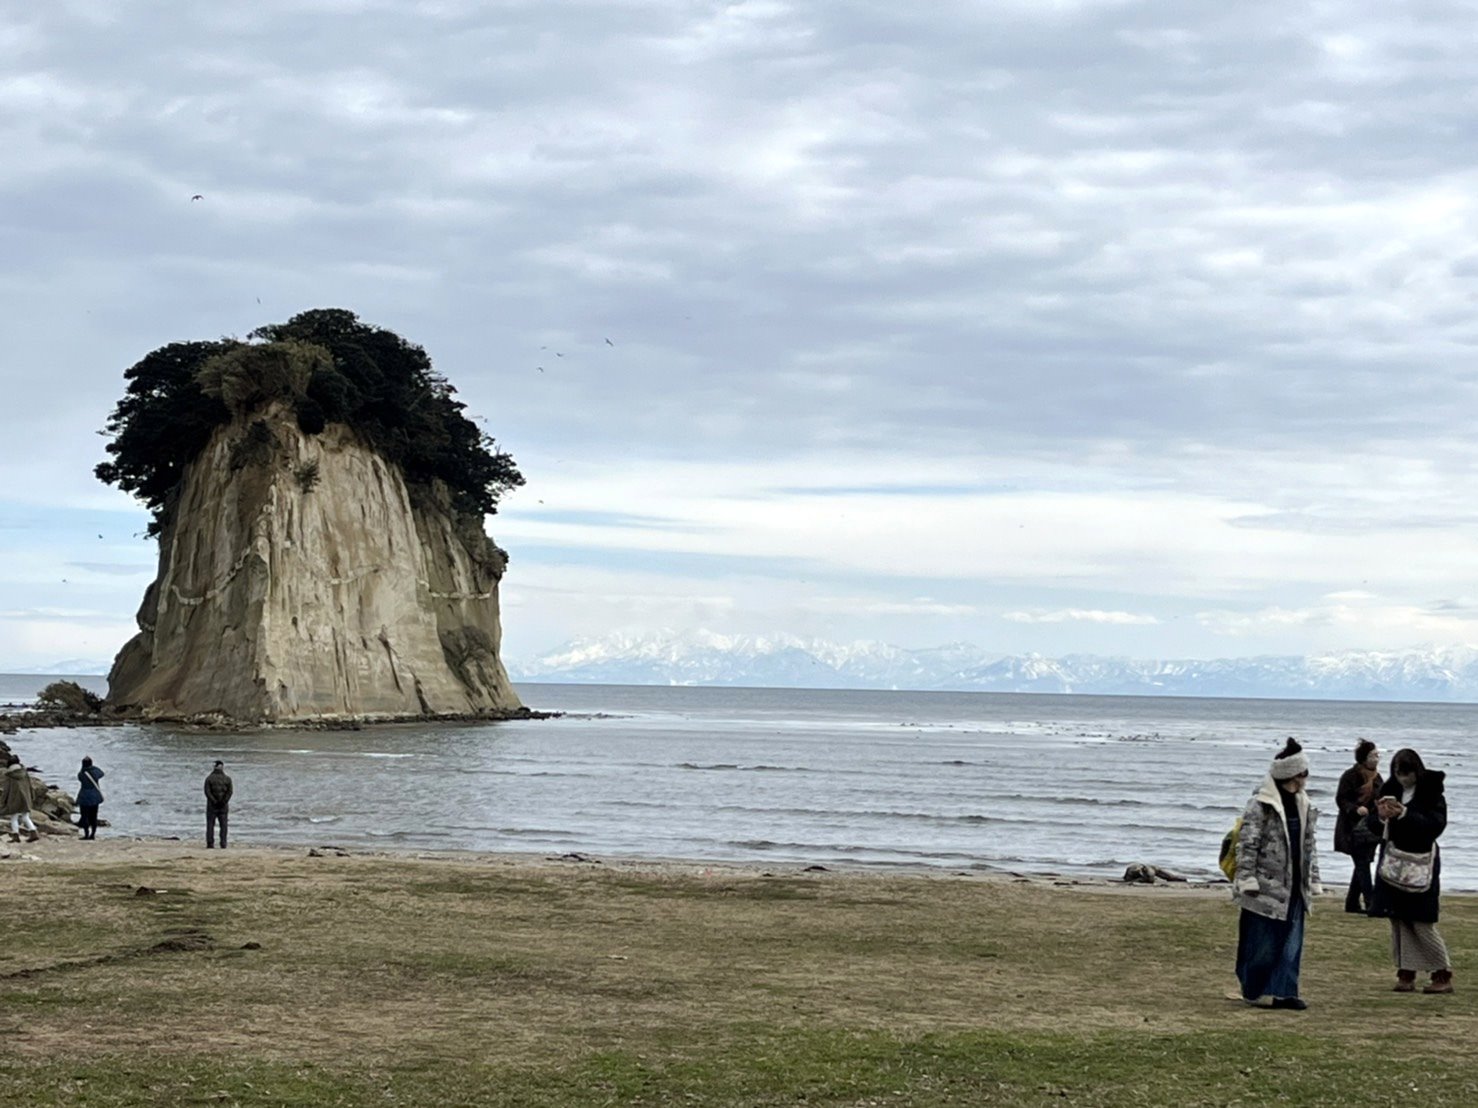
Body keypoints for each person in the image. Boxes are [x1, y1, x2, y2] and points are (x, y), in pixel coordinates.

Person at [1231, 737, 1323, 1010]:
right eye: (1304, 772)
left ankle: (1285, 992)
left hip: (1295, 885)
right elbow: (1247, 843)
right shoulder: (1260, 804)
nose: (1307, 778)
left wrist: (1314, 878)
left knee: (1292, 941)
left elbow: (1309, 846)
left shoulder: (1303, 802)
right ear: (1293, 774)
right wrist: (1246, 878)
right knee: (1261, 942)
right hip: (1263, 886)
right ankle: (1254, 990)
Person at [1366, 748, 1452, 994]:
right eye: (1398, 773)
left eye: (1407, 774)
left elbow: (1435, 826)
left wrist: (1405, 815)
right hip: (1393, 861)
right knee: (1398, 919)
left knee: (1422, 921)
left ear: (1417, 772)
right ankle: (1406, 972)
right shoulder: (1389, 791)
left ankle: (1441, 971)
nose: (1403, 779)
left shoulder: (1432, 793)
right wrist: (1381, 817)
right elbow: (1372, 825)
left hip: (1421, 862)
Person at [1333, 739, 1382, 913]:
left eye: (1377, 754)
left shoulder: (1377, 777)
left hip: (1370, 829)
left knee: (1363, 864)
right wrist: (1355, 809)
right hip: (1352, 828)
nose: (1377, 758)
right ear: (1364, 758)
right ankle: (1371, 903)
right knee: (1362, 864)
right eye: (1373, 755)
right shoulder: (1350, 775)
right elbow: (1341, 799)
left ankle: (1352, 903)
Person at [3, 753, 40, 843]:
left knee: (14, 817)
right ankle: (33, 832)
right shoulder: (24, 773)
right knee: (25, 817)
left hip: (14, 799)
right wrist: (32, 796)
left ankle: (16, 836)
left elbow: (6, 790)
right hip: (25, 797)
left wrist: (3, 801)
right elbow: (30, 786)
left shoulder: (10, 775)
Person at [204, 760, 233, 849]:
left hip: (212, 805)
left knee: (210, 825)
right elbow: (230, 792)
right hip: (223, 806)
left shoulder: (209, 778)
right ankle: (223, 843)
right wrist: (224, 801)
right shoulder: (227, 779)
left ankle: (210, 843)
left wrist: (214, 801)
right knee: (224, 826)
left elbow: (207, 792)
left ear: (214, 767)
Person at [75, 756, 105, 840]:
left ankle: (86, 834)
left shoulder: (81, 774)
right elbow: (102, 773)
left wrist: (84, 769)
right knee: (94, 816)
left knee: (84, 816)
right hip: (95, 797)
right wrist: (92, 767)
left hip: (84, 797)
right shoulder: (95, 773)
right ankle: (93, 834)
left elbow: (80, 778)